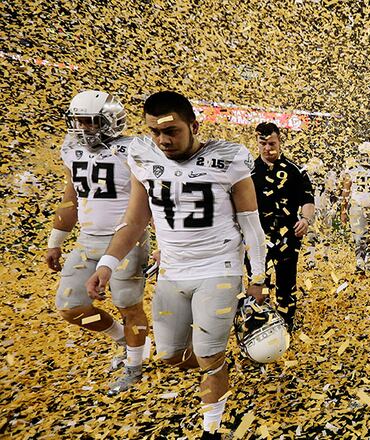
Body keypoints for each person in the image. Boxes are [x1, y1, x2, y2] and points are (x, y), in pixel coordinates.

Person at [86, 91, 268, 439]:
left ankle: (212, 427)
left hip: (219, 266)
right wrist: (107, 264)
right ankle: (218, 365)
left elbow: (250, 224)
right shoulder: (143, 157)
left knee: (207, 352)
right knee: (170, 355)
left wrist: (257, 276)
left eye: (171, 131)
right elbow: (135, 221)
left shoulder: (227, 159)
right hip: (172, 271)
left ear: (193, 125)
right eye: (154, 131)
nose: (162, 139)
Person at [45, 90, 151, 395]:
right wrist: (56, 241)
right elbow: (71, 197)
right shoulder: (71, 149)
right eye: (77, 121)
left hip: (126, 238)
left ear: (110, 121)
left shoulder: (132, 150)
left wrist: (163, 244)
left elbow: (149, 201)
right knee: (70, 306)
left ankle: (135, 365)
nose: (82, 128)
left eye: (90, 121)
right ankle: (124, 339)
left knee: (127, 304)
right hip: (87, 238)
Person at [250, 122, 315, 331]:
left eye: (272, 143)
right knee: (260, 281)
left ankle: (287, 324)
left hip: (288, 236)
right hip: (257, 238)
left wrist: (305, 220)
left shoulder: (295, 171)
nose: (268, 148)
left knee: (286, 281)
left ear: (280, 142)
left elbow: (308, 199)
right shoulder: (248, 172)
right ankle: (262, 324)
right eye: (263, 144)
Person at [339, 142, 370, 277]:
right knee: (359, 235)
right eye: (364, 155)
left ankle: (369, 258)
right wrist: (343, 211)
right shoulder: (351, 171)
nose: (366, 158)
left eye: (369, 155)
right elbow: (345, 192)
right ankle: (359, 260)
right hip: (357, 206)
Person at [303, 157, 337, 270]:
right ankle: (311, 259)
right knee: (311, 234)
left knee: (326, 233)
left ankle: (325, 255)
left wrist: (333, 208)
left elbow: (334, 195)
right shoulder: (306, 179)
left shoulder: (327, 178)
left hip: (324, 209)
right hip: (312, 209)